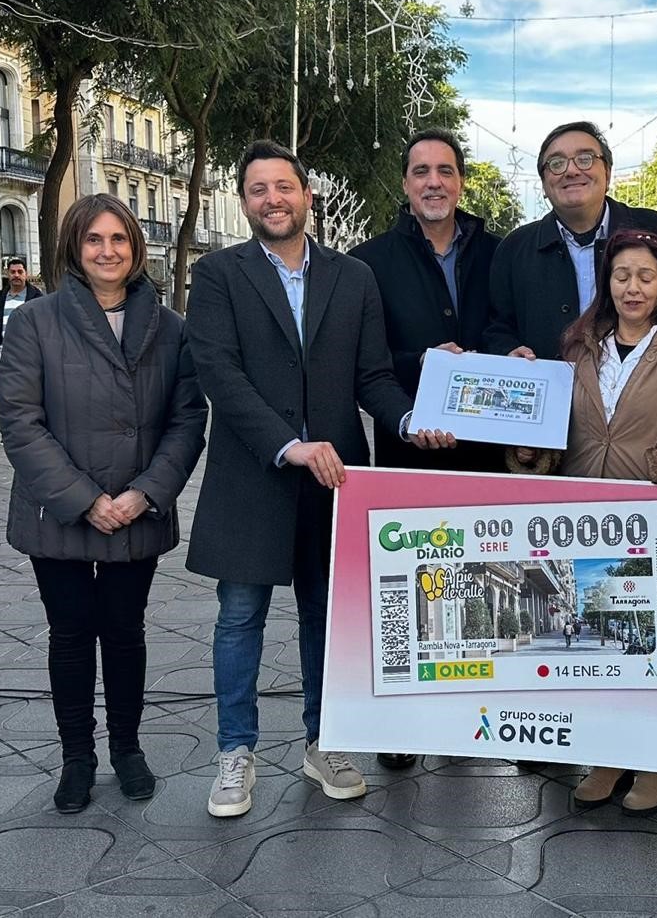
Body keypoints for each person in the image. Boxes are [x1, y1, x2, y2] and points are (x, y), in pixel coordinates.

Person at [185, 139, 454, 819]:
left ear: (308, 195)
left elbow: (372, 379)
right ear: (244, 201)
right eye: (257, 189)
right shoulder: (218, 275)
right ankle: (235, 753)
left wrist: (410, 421)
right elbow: (220, 374)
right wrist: (289, 445)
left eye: (284, 187)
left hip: (336, 483)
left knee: (327, 621)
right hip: (253, 475)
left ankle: (323, 740)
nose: (272, 199)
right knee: (240, 617)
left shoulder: (354, 277)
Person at [512, 228, 657, 815]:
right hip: (584, 520)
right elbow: (558, 427)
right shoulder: (581, 346)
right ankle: (609, 753)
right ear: (605, 284)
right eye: (621, 276)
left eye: (645, 276)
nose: (632, 288)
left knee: (651, 643)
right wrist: (533, 453)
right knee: (600, 644)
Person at [0, 195, 208, 814]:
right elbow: (19, 420)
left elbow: (187, 417)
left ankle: (127, 747)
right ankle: (77, 757)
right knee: (69, 636)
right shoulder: (34, 322)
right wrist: (86, 500)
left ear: (136, 247)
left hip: (137, 510)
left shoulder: (171, 328)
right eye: (94, 240)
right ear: (74, 248)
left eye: (119, 239)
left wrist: (144, 493)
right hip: (58, 513)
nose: (108, 251)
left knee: (123, 633)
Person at [350, 127, 502, 771]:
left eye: (445, 170)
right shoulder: (369, 262)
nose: (433, 181)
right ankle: (403, 721)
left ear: (461, 179)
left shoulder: (502, 252)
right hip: (409, 447)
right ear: (404, 183)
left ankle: (471, 720)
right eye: (420, 171)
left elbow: (513, 329)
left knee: (480, 586)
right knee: (409, 588)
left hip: (488, 454)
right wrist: (423, 375)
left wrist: (505, 355)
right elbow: (367, 362)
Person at [486, 120, 657, 360]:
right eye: (556, 163)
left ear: (608, 173)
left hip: (644, 390)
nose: (571, 171)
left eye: (585, 158)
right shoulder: (514, 248)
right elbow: (496, 327)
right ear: (544, 185)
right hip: (552, 392)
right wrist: (507, 350)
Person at [0, 256, 44, 390]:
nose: (16, 275)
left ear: (26, 274)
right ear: (8, 274)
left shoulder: (36, 298)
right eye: (13, 272)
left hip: (29, 353)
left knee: (28, 390)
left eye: (20, 272)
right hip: (4, 352)